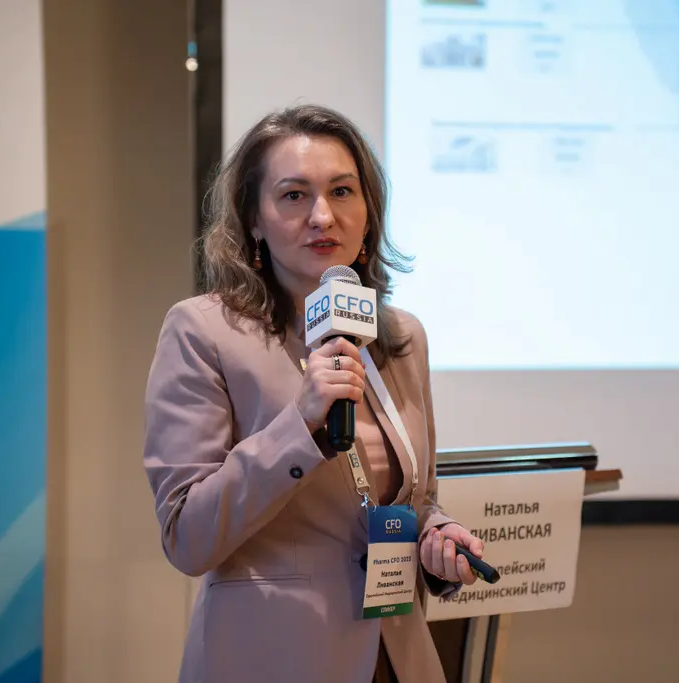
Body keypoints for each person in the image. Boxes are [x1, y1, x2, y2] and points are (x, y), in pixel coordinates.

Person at [142, 103, 485, 683]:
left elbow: (413, 498)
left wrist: (436, 534)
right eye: (294, 195)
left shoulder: (402, 337)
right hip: (272, 659)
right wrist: (298, 426)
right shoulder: (203, 332)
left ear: (368, 213)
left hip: (395, 656)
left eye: (342, 191)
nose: (323, 216)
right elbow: (188, 537)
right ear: (254, 218)